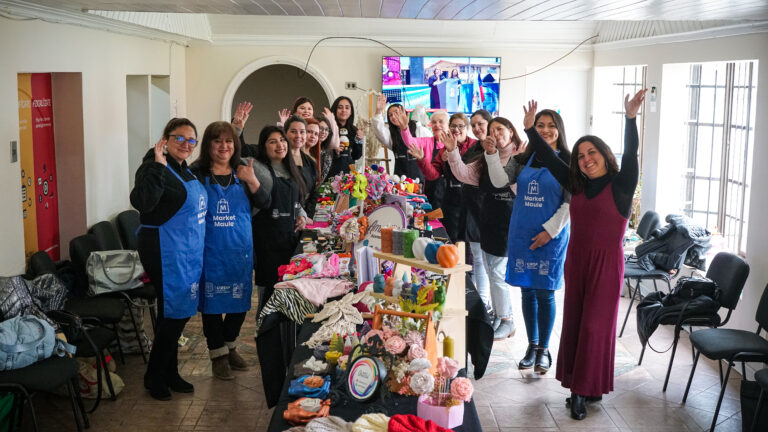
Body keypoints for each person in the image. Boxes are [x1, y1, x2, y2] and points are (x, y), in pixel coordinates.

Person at [521, 89, 646, 420]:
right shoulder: (576, 183)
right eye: (579, 155)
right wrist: (531, 130)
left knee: (595, 328)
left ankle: (580, 393)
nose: (586, 159)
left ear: (604, 154)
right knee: (576, 324)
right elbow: (548, 157)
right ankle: (583, 386)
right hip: (575, 262)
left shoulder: (621, 184)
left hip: (606, 267)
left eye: (592, 153)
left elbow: (632, 155)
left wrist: (630, 118)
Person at [488, 110, 571, 374]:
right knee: (526, 290)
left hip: (550, 237)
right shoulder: (525, 158)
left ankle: (544, 350)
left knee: (545, 292)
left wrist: (550, 231)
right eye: (540, 125)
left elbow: (570, 203)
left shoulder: (568, 161)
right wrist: (491, 154)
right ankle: (531, 346)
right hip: (522, 233)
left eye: (550, 125)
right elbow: (501, 181)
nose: (546, 130)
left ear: (559, 129)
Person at [131, 118, 206, 401]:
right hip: (164, 251)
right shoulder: (153, 166)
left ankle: (169, 372)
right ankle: (154, 375)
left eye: (191, 140)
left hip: (186, 251)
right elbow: (144, 203)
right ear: (165, 139)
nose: (186, 145)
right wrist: (158, 167)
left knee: (171, 312)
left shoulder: (185, 169)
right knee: (175, 315)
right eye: (179, 138)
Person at [190, 121, 261, 381]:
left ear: (236, 144)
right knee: (211, 305)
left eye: (228, 141)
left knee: (239, 303)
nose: (224, 146)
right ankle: (217, 355)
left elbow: (264, 201)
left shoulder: (242, 171)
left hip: (239, 249)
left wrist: (252, 181)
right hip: (209, 250)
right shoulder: (197, 174)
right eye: (217, 141)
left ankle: (230, 346)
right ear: (208, 144)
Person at [445, 117, 526, 340]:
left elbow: (519, 190)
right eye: (492, 131)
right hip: (489, 220)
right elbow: (463, 174)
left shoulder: (522, 156)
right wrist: (453, 152)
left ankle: (508, 320)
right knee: (491, 271)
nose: (496, 134)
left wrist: (514, 161)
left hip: (510, 223)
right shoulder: (485, 159)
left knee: (498, 272)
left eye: (500, 129)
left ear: (511, 131)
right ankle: (500, 315)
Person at [250, 125, 307, 407]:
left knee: (287, 304)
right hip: (268, 247)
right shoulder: (259, 170)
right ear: (264, 146)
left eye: (282, 140)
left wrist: (301, 216)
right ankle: (270, 364)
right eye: (272, 141)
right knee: (268, 308)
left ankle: (286, 359)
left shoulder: (290, 170)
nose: (280, 145)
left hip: (288, 243)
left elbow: (295, 204)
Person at [408, 113, 476, 243]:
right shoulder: (443, 150)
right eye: (453, 126)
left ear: (467, 129)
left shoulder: (476, 146)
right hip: (451, 203)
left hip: (471, 204)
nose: (456, 129)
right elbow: (432, 175)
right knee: (447, 242)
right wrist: (422, 159)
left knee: (471, 249)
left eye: (461, 126)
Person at [389, 109, 449, 209]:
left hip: (450, 194)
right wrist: (405, 128)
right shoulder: (427, 142)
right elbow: (410, 143)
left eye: (441, 121)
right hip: (432, 191)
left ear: (448, 125)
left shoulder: (455, 143)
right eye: (434, 122)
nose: (437, 125)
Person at [464, 110, 492, 314]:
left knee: (490, 264)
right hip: (473, 209)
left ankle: (486, 305)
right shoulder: (473, 148)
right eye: (473, 125)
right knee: (477, 258)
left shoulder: (498, 149)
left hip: (491, 212)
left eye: (480, 124)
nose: (476, 128)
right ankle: (480, 304)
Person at [371, 94, 432, 184]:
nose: (394, 116)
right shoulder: (392, 134)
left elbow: (431, 151)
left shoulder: (419, 129)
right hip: (399, 182)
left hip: (421, 181)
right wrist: (378, 112)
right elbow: (379, 130)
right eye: (390, 115)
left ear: (406, 113)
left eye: (396, 112)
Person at [285, 115, 319, 218]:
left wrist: (307, 216)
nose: (298, 136)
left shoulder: (311, 162)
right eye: (293, 131)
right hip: (284, 215)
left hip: (303, 219)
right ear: (285, 133)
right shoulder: (279, 159)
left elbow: (314, 192)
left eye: (302, 132)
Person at [327, 96, 363, 177]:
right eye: (340, 107)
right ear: (335, 110)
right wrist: (333, 148)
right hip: (330, 172)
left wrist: (359, 140)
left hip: (348, 174)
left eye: (347, 108)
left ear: (351, 112)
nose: (344, 110)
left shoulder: (354, 130)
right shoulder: (328, 127)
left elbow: (356, 156)